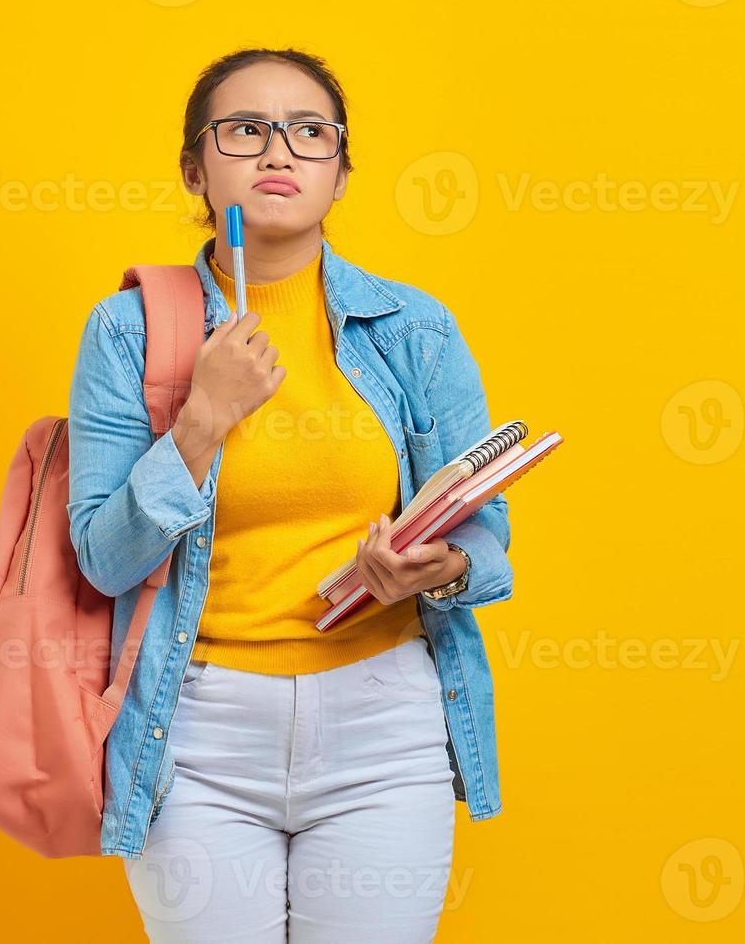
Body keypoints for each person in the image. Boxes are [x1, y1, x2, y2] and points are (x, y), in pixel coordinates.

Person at [65, 47, 514, 943]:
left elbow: (490, 544)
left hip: (384, 724)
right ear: (196, 168)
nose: (280, 151)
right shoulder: (129, 330)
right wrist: (201, 420)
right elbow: (104, 560)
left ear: (341, 173)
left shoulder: (414, 328)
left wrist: (433, 568)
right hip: (194, 731)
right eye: (245, 130)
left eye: (311, 133)